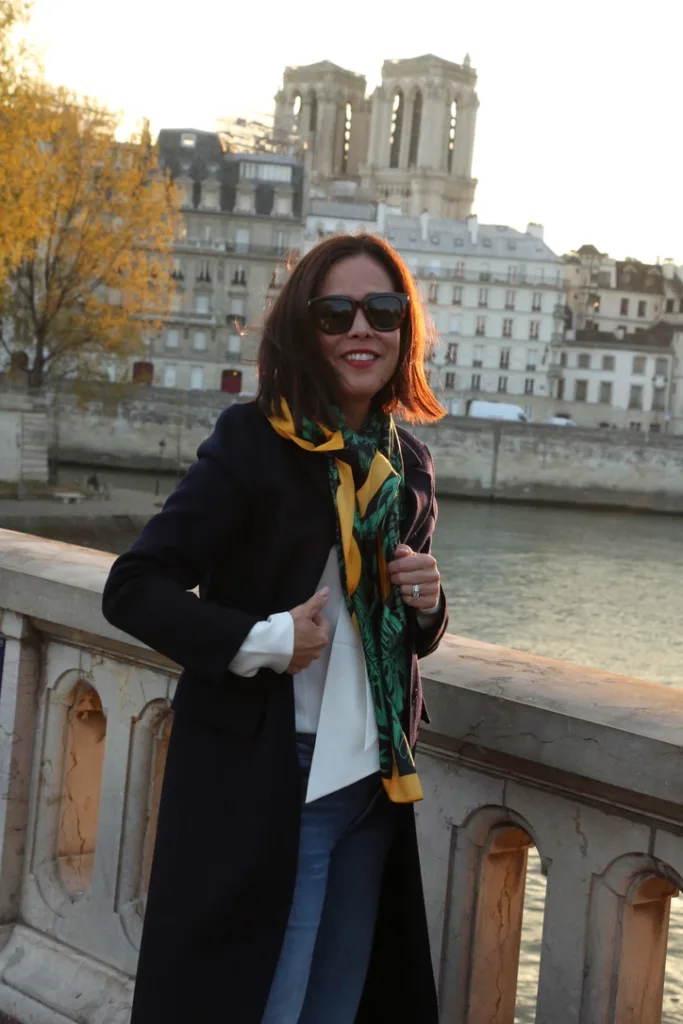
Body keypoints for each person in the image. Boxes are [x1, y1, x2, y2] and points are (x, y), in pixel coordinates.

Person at [101, 233, 448, 1024]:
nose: (362, 329)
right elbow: (134, 586)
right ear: (303, 329)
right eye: (336, 314)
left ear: (404, 329)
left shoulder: (406, 462)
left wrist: (427, 604)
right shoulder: (255, 442)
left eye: (382, 310)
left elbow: (404, 635)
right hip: (271, 777)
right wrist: (265, 640)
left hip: (373, 782)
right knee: (266, 1004)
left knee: (336, 1006)